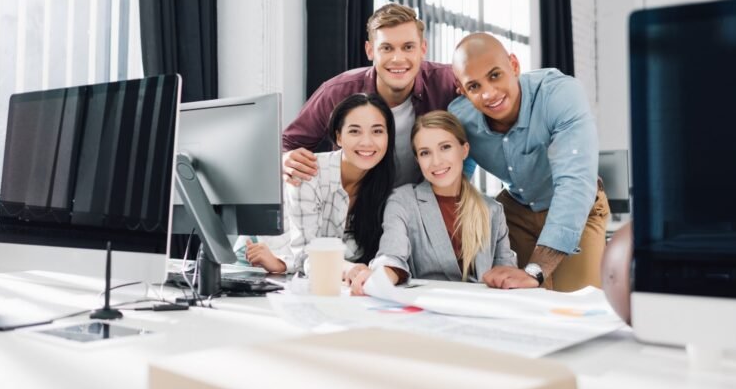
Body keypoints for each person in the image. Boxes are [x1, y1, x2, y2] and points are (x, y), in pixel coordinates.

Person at [449, 33, 609, 292]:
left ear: (513, 65)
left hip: (578, 205)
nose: (489, 94)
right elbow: (455, 182)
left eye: (494, 75)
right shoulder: (460, 118)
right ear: (462, 89)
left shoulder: (560, 94)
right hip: (515, 211)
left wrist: (536, 269)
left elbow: (574, 184)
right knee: (518, 300)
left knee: (577, 303)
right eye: (474, 86)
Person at [282, 3, 458, 188]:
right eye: (387, 48)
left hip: (422, 203)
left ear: (423, 49)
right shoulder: (337, 92)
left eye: (408, 47)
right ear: (370, 50)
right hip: (357, 204)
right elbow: (288, 143)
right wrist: (285, 159)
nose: (398, 59)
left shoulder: (448, 81)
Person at [349, 111, 516, 295]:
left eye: (445, 147)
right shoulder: (402, 201)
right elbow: (391, 255)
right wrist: (382, 276)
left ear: (464, 150)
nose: (436, 161)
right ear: (417, 160)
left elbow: (506, 274)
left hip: (483, 310)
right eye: (425, 153)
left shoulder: (493, 210)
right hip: (427, 310)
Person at [245, 93, 396, 276]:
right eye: (354, 131)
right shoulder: (308, 172)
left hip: (292, 270)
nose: (367, 142)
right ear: (338, 137)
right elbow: (307, 255)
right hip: (255, 256)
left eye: (377, 131)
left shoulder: (384, 187)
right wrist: (349, 269)